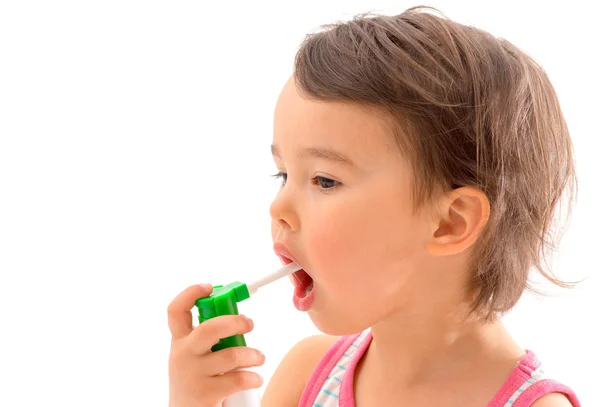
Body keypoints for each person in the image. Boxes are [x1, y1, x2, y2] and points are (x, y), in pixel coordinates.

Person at [167, 6, 581, 407]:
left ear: (449, 223)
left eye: (324, 180)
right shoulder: (308, 375)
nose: (279, 208)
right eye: (283, 175)